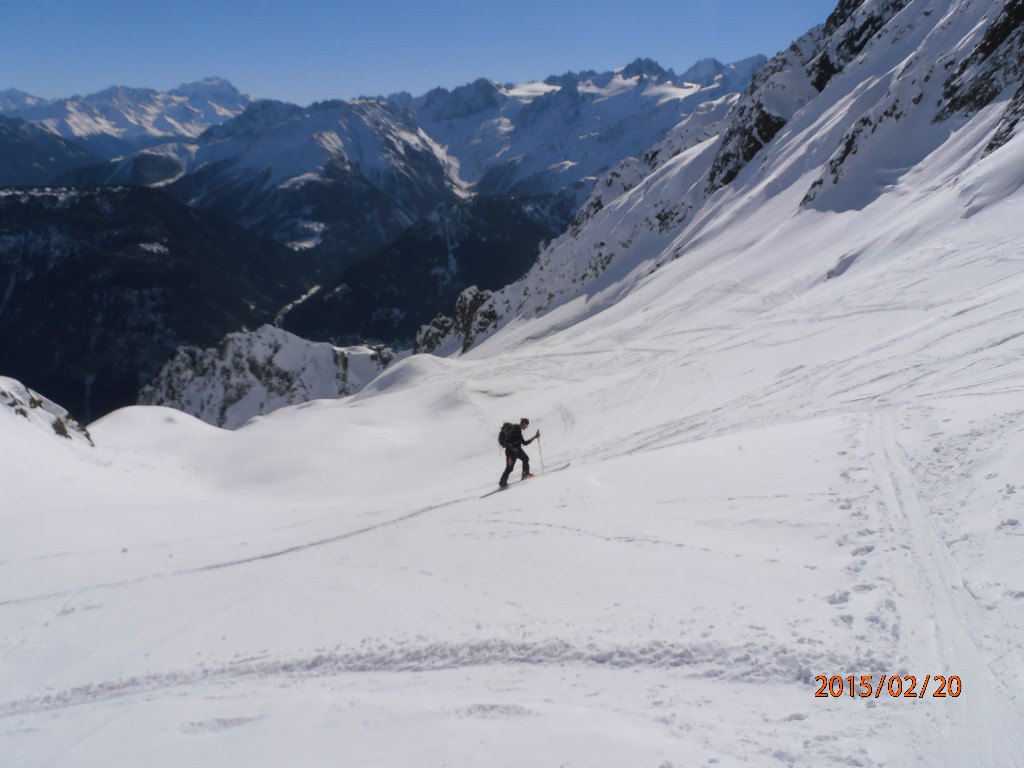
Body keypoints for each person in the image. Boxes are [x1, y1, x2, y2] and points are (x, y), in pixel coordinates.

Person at [499, 418, 540, 487]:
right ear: (523, 424)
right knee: (509, 468)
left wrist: (535, 436)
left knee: (525, 458)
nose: (526, 427)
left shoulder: (518, 430)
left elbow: (524, 443)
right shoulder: (513, 430)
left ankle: (525, 474)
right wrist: (509, 457)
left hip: (517, 450)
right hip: (511, 452)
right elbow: (507, 443)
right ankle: (502, 482)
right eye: (526, 426)